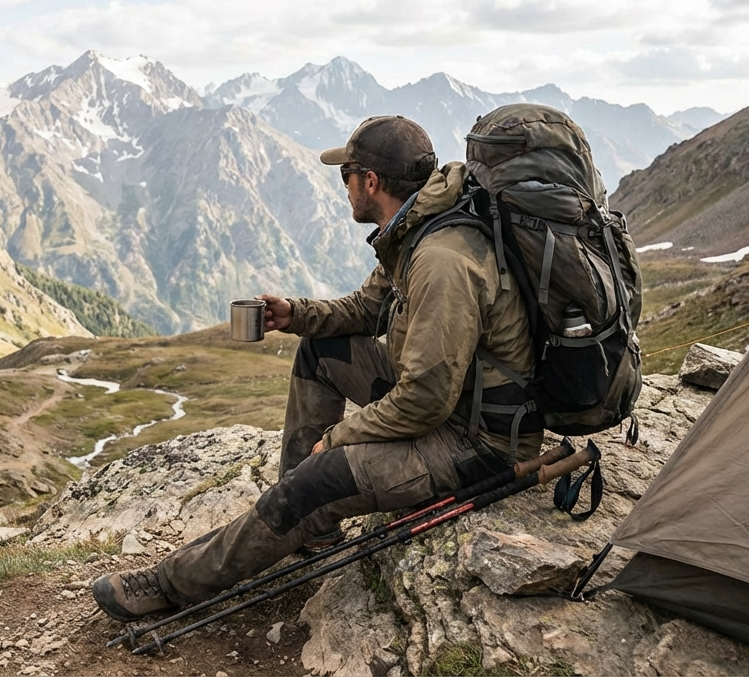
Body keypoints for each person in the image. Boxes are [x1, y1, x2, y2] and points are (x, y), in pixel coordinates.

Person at [92, 115, 539, 622]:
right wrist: (296, 315)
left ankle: (171, 583)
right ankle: (303, 521)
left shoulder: (439, 260)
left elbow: (425, 399)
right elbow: (367, 310)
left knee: (321, 478)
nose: (344, 187)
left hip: (476, 440)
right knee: (317, 352)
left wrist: (342, 435)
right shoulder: (417, 228)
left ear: (370, 181)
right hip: (456, 403)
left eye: (346, 174)